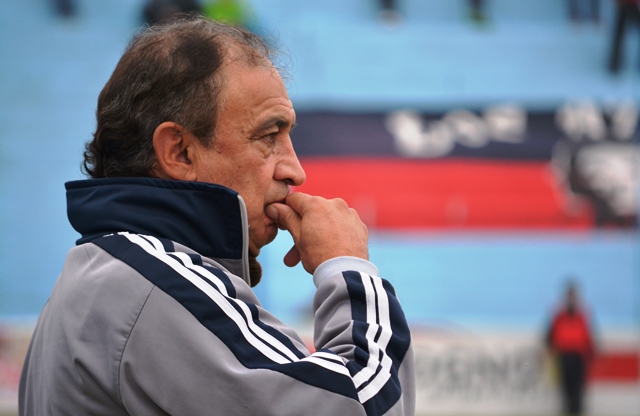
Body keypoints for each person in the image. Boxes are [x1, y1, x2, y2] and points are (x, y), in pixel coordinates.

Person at [18, 17, 415, 416]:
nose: (295, 171)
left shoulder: (107, 273)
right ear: (179, 152)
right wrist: (348, 268)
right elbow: (364, 406)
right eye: (268, 136)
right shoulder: (155, 285)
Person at [545, 281, 596, 415]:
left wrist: (591, 353)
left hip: (579, 356)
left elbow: (588, 336)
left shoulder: (582, 315)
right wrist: (550, 350)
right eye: (570, 296)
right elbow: (550, 335)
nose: (572, 299)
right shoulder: (559, 315)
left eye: (573, 296)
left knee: (578, 387)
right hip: (564, 355)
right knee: (565, 387)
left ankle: (577, 410)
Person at [608, 0, 640, 74]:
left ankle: (615, 64)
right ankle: (614, 64)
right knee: (619, 34)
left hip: (635, 5)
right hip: (625, 4)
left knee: (619, 34)